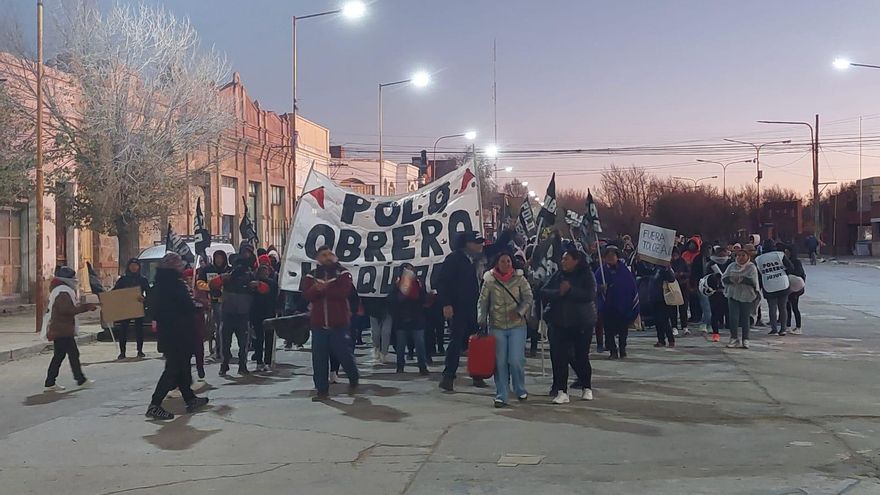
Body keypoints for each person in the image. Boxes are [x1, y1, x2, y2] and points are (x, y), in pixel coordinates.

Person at [146, 253, 208, 420]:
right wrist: (197, 305)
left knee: (181, 367)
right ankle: (155, 404)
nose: (182, 265)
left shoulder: (160, 284)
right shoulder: (174, 284)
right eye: (179, 263)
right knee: (173, 369)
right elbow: (185, 306)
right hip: (177, 333)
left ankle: (190, 399)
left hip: (171, 333)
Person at [302, 246, 360, 401]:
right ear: (318, 258)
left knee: (344, 355)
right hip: (318, 325)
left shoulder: (343, 273)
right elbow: (307, 294)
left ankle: (353, 376)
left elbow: (343, 293)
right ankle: (322, 390)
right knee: (319, 358)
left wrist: (323, 289)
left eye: (330, 254)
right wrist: (316, 289)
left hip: (339, 324)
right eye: (323, 255)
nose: (327, 257)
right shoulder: (311, 275)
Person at [478, 252, 533, 407]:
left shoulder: (520, 279)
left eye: (508, 261)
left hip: (517, 326)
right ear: (497, 263)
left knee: (515, 360)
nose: (506, 264)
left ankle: (519, 388)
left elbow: (528, 298)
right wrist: (481, 320)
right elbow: (482, 302)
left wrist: (520, 312)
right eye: (503, 261)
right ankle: (501, 394)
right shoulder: (489, 280)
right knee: (500, 362)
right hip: (497, 327)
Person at [540, 249, 596, 405]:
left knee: (581, 356)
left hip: (581, 322)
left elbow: (590, 294)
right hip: (560, 322)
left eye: (567, 259)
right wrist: (559, 293)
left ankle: (587, 387)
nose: (563, 262)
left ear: (576, 260)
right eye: (562, 259)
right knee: (560, 358)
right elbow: (544, 291)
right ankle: (562, 391)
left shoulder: (586, 274)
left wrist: (571, 291)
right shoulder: (558, 275)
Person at [438, 231, 487, 392]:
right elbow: (443, 282)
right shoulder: (454, 259)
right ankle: (448, 376)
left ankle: (478, 374)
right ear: (467, 243)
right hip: (459, 307)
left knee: (477, 341)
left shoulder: (479, 259)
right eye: (477, 242)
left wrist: (508, 232)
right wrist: (446, 304)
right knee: (456, 341)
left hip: (476, 306)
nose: (480, 245)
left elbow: (499, 247)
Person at [43, 266, 96, 392]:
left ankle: (50, 381)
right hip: (62, 329)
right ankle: (80, 380)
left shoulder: (61, 290)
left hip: (61, 328)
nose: (74, 280)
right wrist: (86, 307)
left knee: (60, 356)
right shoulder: (63, 292)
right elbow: (67, 310)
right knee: (72, 354)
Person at [596, 246, 639, 359]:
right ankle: (613, 351)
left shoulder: (624, 271)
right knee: (609, 331)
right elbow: (593, 286)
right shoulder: (601, 270)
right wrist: (600, 288)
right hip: (608, 307)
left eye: (612, 255)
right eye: (608, 256)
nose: (610, 258)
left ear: (617, 257)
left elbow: (631, 286)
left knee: (623, 331)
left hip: (623, 307)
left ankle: (622, 349)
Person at [219, 256, 260, 376]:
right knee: (228, 343)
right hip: (230, 314)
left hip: (241, 315)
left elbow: (262, 291)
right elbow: (213, 285)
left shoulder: (251, 278)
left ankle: (240, 365)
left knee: (241, 344)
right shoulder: (227, 277)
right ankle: (226, 364)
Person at [389, 263, 430, 375]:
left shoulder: (418, 284)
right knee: (401, 346)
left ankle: (422, 366)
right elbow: (393, 301)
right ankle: (400, 366)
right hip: (402, 319)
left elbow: (423, 298)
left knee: (420, 344)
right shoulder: (396, 285)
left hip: (416, 318)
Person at [722, 249, 760, 349]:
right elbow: (724, 278)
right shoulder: (731, 266)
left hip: (746, 295)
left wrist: (742, 279)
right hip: (733, 294)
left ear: (748, 257)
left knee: (745, 318)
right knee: (733, 318)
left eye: (743, 255)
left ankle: (745, 339)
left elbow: (754, 282)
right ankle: (734, 338)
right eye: (738, 255)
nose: (740, 257)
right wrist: (731, 279)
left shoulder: (751, 267)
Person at [112, 258, 150, 359]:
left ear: (139, 267)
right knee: (123, 330)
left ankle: (140, 351)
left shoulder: (143, 280)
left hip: (138, 307)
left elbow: (150, 294)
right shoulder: (123, 280)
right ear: (128, 267)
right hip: (125, 308)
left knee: (139, 330)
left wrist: (144, 299)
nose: (134, 267)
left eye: (136, 265)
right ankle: (122, 352)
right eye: (132, 265)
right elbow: (114, 292)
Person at [197, 250, 231, 360]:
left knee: (226, 327)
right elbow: (199, 283)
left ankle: (225, 349)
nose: (219, 260)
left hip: (228, 301)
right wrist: (210, 287)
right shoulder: (208, 269)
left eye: (221, 258)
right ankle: (219, 350)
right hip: (214, 301)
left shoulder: (229, 270)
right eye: (217, 258)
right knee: (220, 326)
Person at [757, 240, 793, 336]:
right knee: (783, 307)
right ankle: (783, 329)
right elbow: (791, 267)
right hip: (783, 283)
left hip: (768, 284)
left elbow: (758, 274)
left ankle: (774, 329)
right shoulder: (780, 255)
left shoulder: (758, 259)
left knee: (772, 308)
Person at [251, 263, 278, 372]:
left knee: (266, 339)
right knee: (259, 339)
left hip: (267, 314)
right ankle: (260, 361)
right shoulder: (254, 284)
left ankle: (265, 361)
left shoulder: (271, 284)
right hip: (258, 314)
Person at [651, 264, 677, 348]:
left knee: (664, 321)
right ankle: (661, 340)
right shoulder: (655, 268)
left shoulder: (665, 268)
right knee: (657, 321)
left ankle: (671, 340)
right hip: (655, 298)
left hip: (664, 299)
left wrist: (668, 270)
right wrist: (639, 262)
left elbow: (672, 279)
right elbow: (646, 272)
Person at [363, 295, 392, 366]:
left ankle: (384, 353)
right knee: (376, 332)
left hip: (388, 308)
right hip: (373, 308)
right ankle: (376, 348)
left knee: (386, 332)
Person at [784, 244, 806, 335]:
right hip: (788, 287)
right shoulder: (785, 261)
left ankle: (798, 327)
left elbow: (800, 273)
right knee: (787, 307)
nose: (785, 254)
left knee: (795, 307)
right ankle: (787, 325)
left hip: (795, 288)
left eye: (787, 252)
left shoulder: (796, 262)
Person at [669, 247, 690, 336]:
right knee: (673, 307)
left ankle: (684, 326)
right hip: (672, 286)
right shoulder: (668, 263)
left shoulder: (682, 261)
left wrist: (682, 274)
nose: (674, 257)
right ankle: (674, 327)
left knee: (683, 307)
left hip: (682, 286)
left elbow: (688, 272)